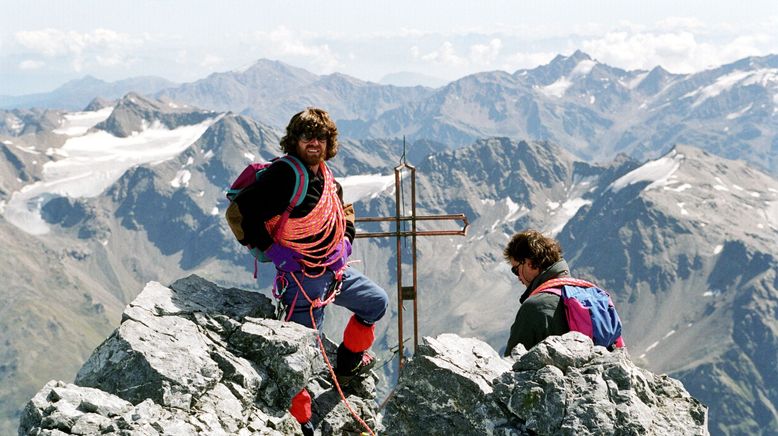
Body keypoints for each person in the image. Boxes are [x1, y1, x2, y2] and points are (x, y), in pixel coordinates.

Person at [230, 107, 389, 435]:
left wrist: (345, 239)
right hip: (300, 278)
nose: (314, 142)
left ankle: (345, 372)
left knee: (375, 302)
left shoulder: (326, 176)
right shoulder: (285, 176)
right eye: (306, 136)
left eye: (321, 137)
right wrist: (276, 252)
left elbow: (343, 210)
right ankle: (302, 423)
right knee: (301, 352)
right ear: (294, 140)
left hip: (334, 271)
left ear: (330, 142)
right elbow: (242, 212)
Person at [502, 229, 571, 356]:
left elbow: (510, 363)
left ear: (529, 263)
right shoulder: (589, 293)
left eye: (516, 270)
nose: (518, 277)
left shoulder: (534, 307)